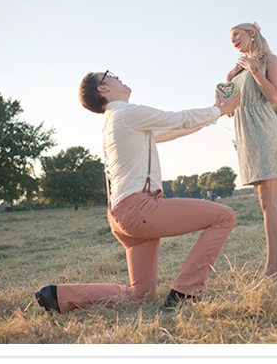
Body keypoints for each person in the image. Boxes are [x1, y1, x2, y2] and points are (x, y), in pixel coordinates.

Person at [35, 69, 240, 314]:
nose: (117, 76)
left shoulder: (117, 121)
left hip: (121, 216)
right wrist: (218, 109)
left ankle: (57, 296)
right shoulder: (127, 113)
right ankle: (186, 292)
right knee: (224, 216)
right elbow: (179, 118)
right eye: (109, 75)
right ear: (103, 88)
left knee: (140, 297)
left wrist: (216, 112)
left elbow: (175, 129)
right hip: (139, 209)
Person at [227, 22, 277, 278]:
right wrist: (227, 90)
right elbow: (232, 107)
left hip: (264, 131)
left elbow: (273, 97)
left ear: (251, 34)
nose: (233, 40)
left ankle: (272, 268)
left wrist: (255, 70)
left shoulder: (269, 60)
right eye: (231, 38)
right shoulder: (237, 70)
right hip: (246, 136)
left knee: (267, 203)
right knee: (275, 204)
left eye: (236, 35)